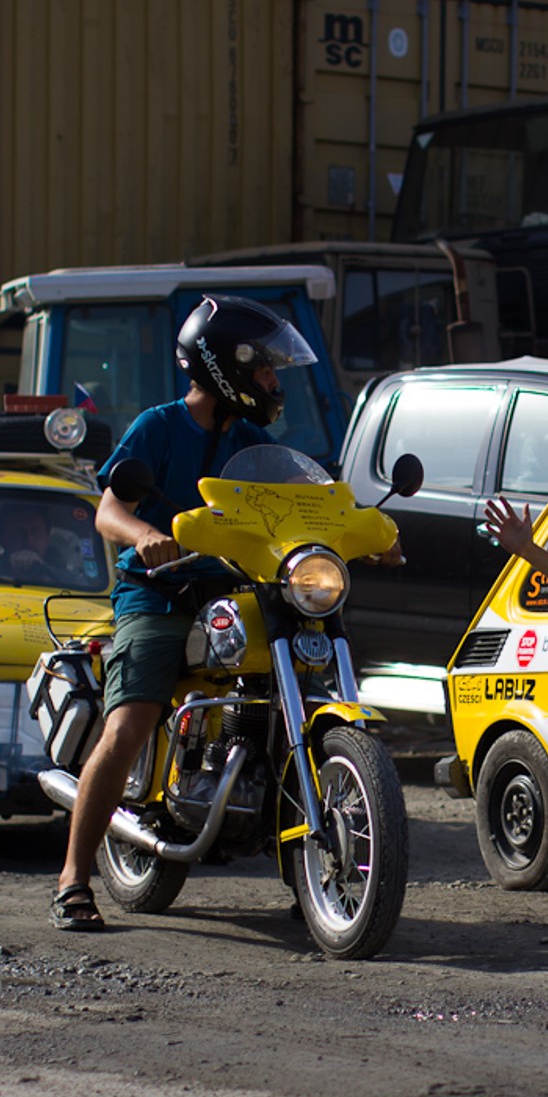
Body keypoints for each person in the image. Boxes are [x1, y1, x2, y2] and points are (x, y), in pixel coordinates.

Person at [50, 294, 317, 933]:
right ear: (225, 368)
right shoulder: (159, 427)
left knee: (290, 702)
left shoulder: (254, 442)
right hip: (159, 591)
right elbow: (107, 510)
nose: (275, 385)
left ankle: (305, 874)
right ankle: (72, 880)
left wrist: (371, 534)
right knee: (131, 723)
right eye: (265, 372)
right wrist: (143, 535)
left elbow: (308, 504)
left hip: (234, 592)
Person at [0, 504, 72, 581]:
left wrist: (44, 571)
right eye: (19, 532)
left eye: (36, 531)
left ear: (47, 538)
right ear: (2, 538)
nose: (29, 540)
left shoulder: (68, 582)